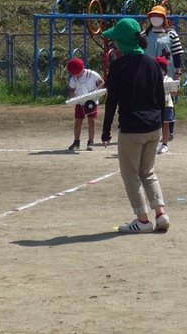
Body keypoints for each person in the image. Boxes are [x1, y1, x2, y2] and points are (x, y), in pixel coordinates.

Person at [100, 18, 169, 233]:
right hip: (154, 126)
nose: (114, 45)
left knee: (130, 174)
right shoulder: (152, 63)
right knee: (147, 172)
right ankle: (161, 213)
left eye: (116, 41)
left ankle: (142, 220)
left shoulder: (118, 66)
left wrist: (105, 131)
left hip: (132, 128)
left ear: (122, 42)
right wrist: (158, 120)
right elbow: (160, 97)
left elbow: (111, 101)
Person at [66, 57, 104, 152]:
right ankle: (76, 141)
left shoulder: (92, 74)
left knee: (92, 120)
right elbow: (72, 90)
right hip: (80, 103)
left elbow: (102, 82)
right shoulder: (73, 79)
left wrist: (96, 90)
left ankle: (90, 142)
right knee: (78, 121)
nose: (75, 75)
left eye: (76, 73)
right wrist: (71, 97)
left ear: (82, 69)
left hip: (91, 102)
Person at [157, 56, 176, 154]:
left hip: (167, 104)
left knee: (165, 124)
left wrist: (173, 89)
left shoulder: (169, 79)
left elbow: (174, 94)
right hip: (155, 105)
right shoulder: (152, 78)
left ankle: (165, 144)